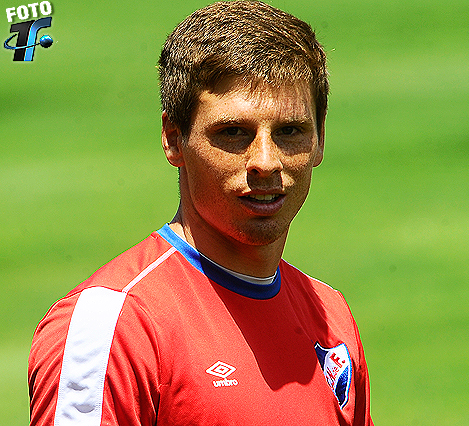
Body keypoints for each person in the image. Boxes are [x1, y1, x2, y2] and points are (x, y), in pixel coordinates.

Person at [27, 1, 373, 425]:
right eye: (234, 132)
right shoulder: (115, 327)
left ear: (319, 140)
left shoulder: (331, 316)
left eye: (289, 131)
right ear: (174, 140)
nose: (265, 161)